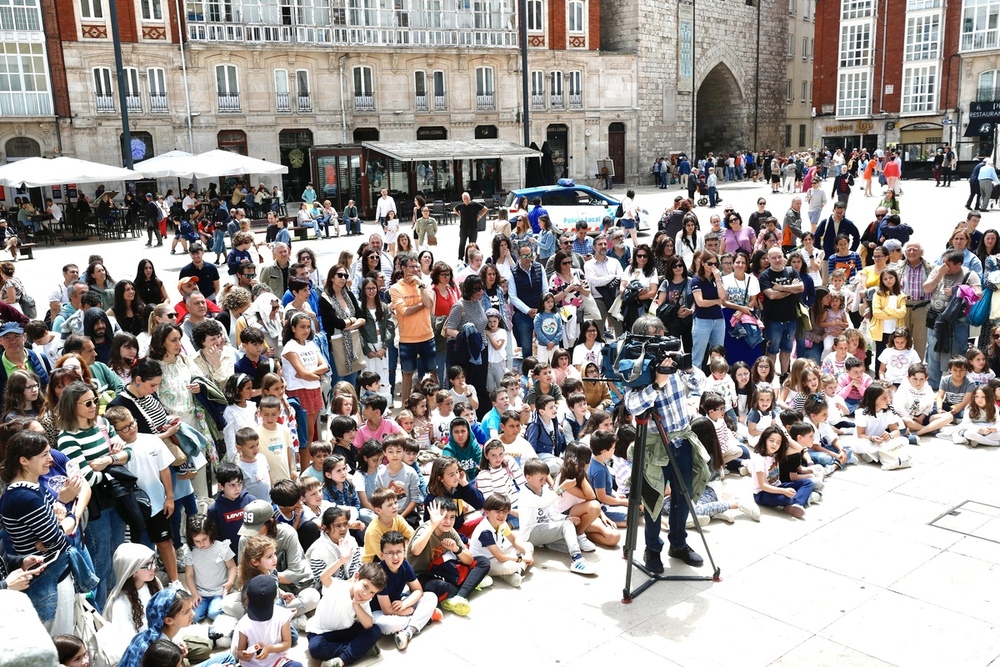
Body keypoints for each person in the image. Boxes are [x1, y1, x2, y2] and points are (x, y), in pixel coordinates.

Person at [623, 314, 704, 573]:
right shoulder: (637, 367)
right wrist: (657, 384)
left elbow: (698, 383)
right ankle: (652, 549)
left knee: (684, 496)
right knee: (653, 499)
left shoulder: (672, 355)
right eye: (655, 338)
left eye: (662, 335)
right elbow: (632, 405)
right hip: (653, 445)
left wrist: (686, 366)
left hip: (681, 439)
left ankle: (678, 544)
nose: (662, 342)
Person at [924, 250, 982, 387]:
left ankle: (954, 387)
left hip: (957, 320)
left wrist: (958, 290)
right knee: (933, 352)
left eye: (948, 264)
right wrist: (940, 274)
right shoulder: (939, 270)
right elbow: (926, 289)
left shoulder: (969, 274)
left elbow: (978, 294)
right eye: (943, 262)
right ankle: (933, 386)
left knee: (957, 354)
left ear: (958, 264)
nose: (944, 266)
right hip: (936, 317)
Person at [758, 247, 804, 372]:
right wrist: (791, 289)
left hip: (791, 318)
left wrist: (782, 288)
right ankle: (770, 377)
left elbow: (800, 287)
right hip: (773, 320)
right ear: (768, 259)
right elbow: (771, 295)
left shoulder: (791, 271)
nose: (777, 260)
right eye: (774, 257)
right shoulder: (765, 276)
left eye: (779, 256)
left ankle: (784, 376)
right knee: (771, 351)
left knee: (787, 350)